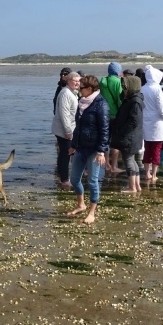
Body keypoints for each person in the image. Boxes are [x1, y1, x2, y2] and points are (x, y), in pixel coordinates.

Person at [67, 75, 109, 225]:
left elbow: (105, 130)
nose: (79, 89)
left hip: (94, 150)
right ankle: (81, 204)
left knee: (92, 181)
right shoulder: (82, 102)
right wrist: (73, 144)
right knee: (74, 179)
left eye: (81, 87)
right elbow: (78, 127)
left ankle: (92, 212)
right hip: (80, 147)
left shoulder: (101, 104)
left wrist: (101, 151)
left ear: (90, 89)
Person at [111, 75, 144, 193]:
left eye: (126, 86)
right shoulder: (132, 99)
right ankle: (137, 185)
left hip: (130, 136)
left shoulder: (135, 101)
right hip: (133, 136)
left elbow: (134, 121)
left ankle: (132, 187)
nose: (124, 88)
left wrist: (123, 132)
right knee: (132, 160)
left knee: (128, 160)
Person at [51, 71, 81, 188]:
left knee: (66, 154)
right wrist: (68, 131)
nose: (77, 83)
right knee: (65, 154)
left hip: (70, 128)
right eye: (75, 81)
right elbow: (64, 114)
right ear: (68, 81)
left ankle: (63, 176)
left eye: (79, 81)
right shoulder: (65, 93)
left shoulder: (73, 92)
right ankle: (64, 179)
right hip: (64, 130)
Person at [140, 65, 163, 182]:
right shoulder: (157, 89)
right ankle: (154, 174)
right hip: (157, 121)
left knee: (147, 147)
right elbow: (161, 107)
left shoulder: (142, 88)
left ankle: (147, 173)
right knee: (157, 148)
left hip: (145, 120)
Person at [99, 62, 124, 173]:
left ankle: (106, 164)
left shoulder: (102, 81)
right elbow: (120, 98)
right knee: (115, 142)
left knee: (105, 139)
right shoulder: (118, 82)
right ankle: (113, 166)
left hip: (103, 114)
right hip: (115, 114)